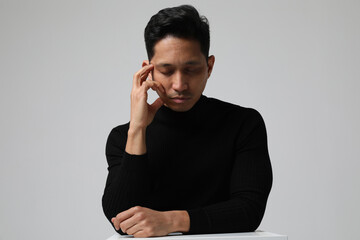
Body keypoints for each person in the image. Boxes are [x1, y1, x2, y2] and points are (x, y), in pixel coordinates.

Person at [102, 5, 272, 238]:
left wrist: (171, 220)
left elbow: (248, 210)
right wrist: (138, 129)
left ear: (209, 67)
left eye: (191, 70)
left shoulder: (243, 124)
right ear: (148, 71)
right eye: (167, 71)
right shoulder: (123, 137)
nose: (179, 84)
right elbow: (120, 219)